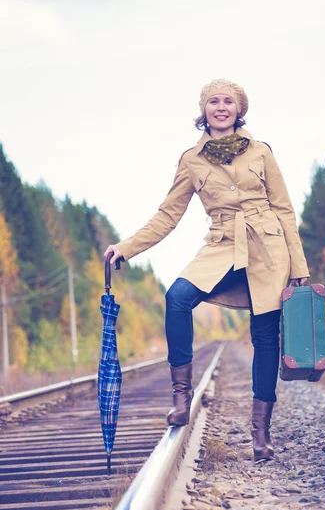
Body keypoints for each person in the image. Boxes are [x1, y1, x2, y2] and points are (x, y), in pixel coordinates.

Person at [104, 79, 310, 461]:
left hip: (268, 250)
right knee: (177, 297)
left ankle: (260, 434)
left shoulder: (261, 152)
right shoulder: (191, 160)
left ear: (239, 108)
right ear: (204, 110)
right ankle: (181, 398)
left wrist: (299, 265)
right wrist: (127, 248)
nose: (220, 107)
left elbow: (284, 209)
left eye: (228, 101)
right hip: (221, 247)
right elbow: (168, 214)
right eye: (213, 101)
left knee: (265, 338)